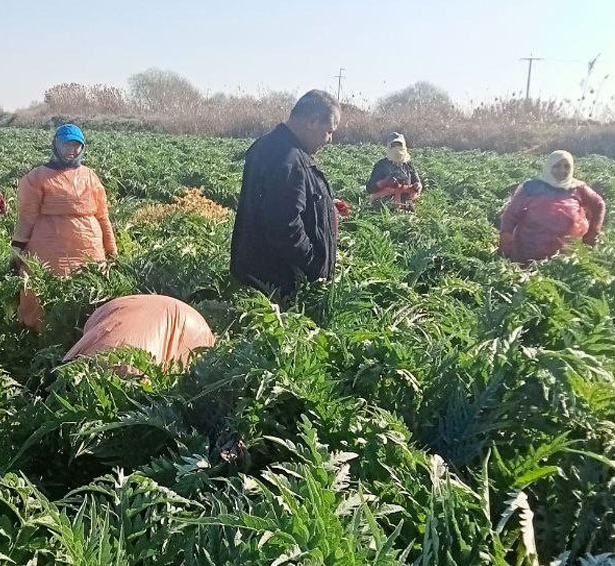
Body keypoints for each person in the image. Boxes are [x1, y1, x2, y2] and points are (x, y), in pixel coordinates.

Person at [230, 90, 342, 303]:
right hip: (280, 288)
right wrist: (314, 269)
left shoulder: (268, 145)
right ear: (312, 121)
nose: (329, 140)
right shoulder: (289, 159)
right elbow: (285, 227)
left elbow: (278, 204)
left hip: (258, 278)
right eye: (328, 131)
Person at [12, 124, 117, 330]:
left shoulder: (89, 176)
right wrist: (17, 248)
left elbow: (103, 216)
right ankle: (39, 340)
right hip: (49, 247)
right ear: (56, 146)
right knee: (43, 292)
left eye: (76, 145)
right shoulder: (37, 177)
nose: (72, 150)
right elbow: (26, 216)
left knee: (88, 293)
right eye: (67, 144)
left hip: (89, 246)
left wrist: (111, 249)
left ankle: (82, 340)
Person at [499, 150, 605, 263]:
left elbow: (599, 204)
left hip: (567, 256)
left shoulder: (578, 188)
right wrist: (506, 235)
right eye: (557, 166)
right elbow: (511, 214)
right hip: (529, 251)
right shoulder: (532, 187)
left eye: (566, 166)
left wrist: (593, 232)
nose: (562, 170)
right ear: (549, 166)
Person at [63, 295, 215, 373]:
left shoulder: (109, 307)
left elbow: (89, 329)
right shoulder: (201, 334)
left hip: (81, 357)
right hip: (133, 365)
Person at [366, 132, 422, 211]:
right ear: (389, 147)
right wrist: (384, 182)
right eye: (394, 145)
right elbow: (369, 188)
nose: (396, 148)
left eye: (399, 145)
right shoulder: (381, 164)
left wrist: (417, 186)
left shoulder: (408, 164)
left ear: (404, 146)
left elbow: (417, 183)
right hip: (385, 204)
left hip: (406, 203)